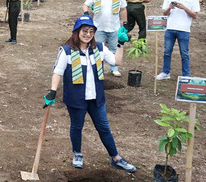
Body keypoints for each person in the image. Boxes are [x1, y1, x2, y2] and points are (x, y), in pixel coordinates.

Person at [42, 15, 136, 173]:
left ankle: (116, 158)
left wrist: (120, 44)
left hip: (96, 98)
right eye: (84, 30)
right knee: (77, 127)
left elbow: (116, 62)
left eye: (91, 31)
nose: (88, 34)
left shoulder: (99, 48)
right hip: (76, 98)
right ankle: (77, 154)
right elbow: (57, 72)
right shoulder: (66, 51)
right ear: (77, 31)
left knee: (104, 128)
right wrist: (53, 91)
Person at [82, 0, 127, 77]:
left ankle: (114, 68)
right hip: (98, 27)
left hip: (114, 27)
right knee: (97, 49)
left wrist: (125, 23)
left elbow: (123, 9)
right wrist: (86, 13)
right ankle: (98, 68)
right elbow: (85, 5)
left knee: (114, 48)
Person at [156, 0, 200, 80]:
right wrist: (169, 8)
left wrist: (184, 7)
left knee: (184, 53)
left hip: (184, 29)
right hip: (170, 28)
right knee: (167, 52)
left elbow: (195, 15)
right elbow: (165, 14)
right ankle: (165, 72)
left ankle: (186, 75)